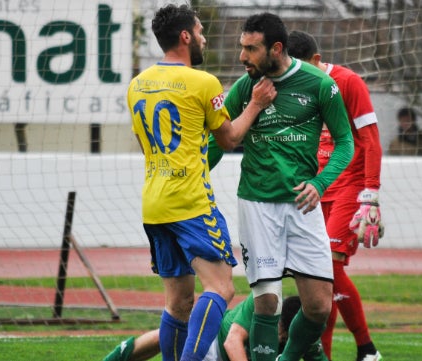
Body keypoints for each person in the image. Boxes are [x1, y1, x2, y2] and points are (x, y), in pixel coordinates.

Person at [126, 4, 276, 361]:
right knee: (221, 288)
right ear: (185, 36)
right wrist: (254, 104)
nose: (204, 37)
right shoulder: (203, 82)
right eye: (200, 30)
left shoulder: (137, 85)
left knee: (178, 305)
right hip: (191, 202)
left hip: (154, 204)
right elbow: (229, 138)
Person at [208, 13, 354, 361]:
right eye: (241, 47)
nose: (243, 56)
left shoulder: (319, 84)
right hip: (258, 205)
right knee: (267, 303)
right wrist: (194, 175)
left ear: (276, 48)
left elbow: (346, 142)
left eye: (251, 49)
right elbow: (219, 142)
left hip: (303, 206)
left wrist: (320, 183)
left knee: (319, 306)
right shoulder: (246, 88)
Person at [287, 31, 383, 361]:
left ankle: (366, 348)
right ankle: (327, 356)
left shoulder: (348, 82)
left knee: (328, 267)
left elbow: (370, 138)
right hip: (318, 188)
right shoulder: (296, 86)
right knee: (317, 277)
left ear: (316, 61)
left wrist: (371, 194)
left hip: (351, 186)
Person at [102, 295, 328, 361]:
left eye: (283, 335)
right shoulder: (263, 302)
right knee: (169, 337)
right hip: (215, 341)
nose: (278, 334)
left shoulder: (305, 332)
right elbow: (232, 342)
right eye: (278, 327)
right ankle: (115, 358)